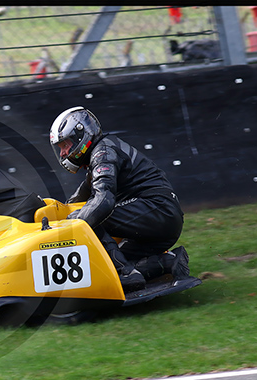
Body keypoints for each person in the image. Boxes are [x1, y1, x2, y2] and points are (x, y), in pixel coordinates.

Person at [49, 106, 189, 292]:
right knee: (106, 262)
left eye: (65, 145)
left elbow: (102, 201)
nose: (63, 154)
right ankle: (169, 261)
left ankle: (126, 275)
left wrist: (71, 226)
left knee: (92, 217)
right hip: (162, 216)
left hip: (158, 209)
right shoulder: (101, 153)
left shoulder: (103, 153)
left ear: (80, 135)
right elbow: (75, 201)